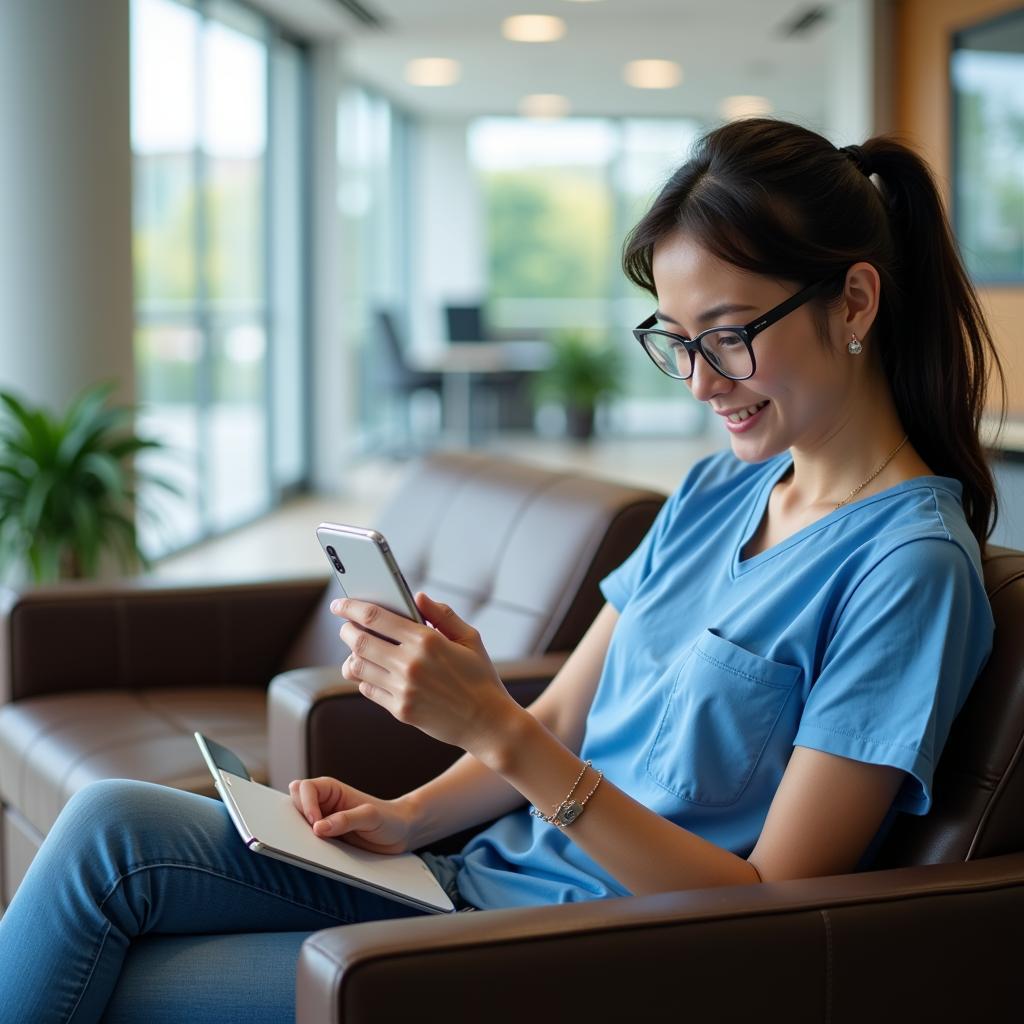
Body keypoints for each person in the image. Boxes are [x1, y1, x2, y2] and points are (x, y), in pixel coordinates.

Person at [0, 117, 1002, 1022]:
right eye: (675, 340)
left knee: (112, 980)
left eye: (730, 335)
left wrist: (492, 724)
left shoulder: (907, 568)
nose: (700, 380)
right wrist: (403, 815)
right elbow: (563, 715)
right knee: (110, 822)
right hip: (476, 884)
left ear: (854, 300)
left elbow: (775, 909)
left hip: (582, 953)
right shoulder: (715, 491)